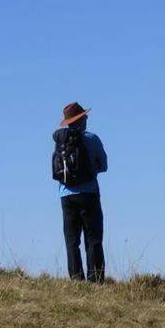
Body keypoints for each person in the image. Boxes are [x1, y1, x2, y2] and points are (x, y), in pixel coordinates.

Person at [54, 102, 108, 282]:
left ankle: (76, 279)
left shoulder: (60, 141)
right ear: (81, 120)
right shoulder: (92, 139)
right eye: (85, 117)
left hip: (66, 196)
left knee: (72, 241)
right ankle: (96, 280)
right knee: (93, 239)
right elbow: (104, 165)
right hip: (89, 193)